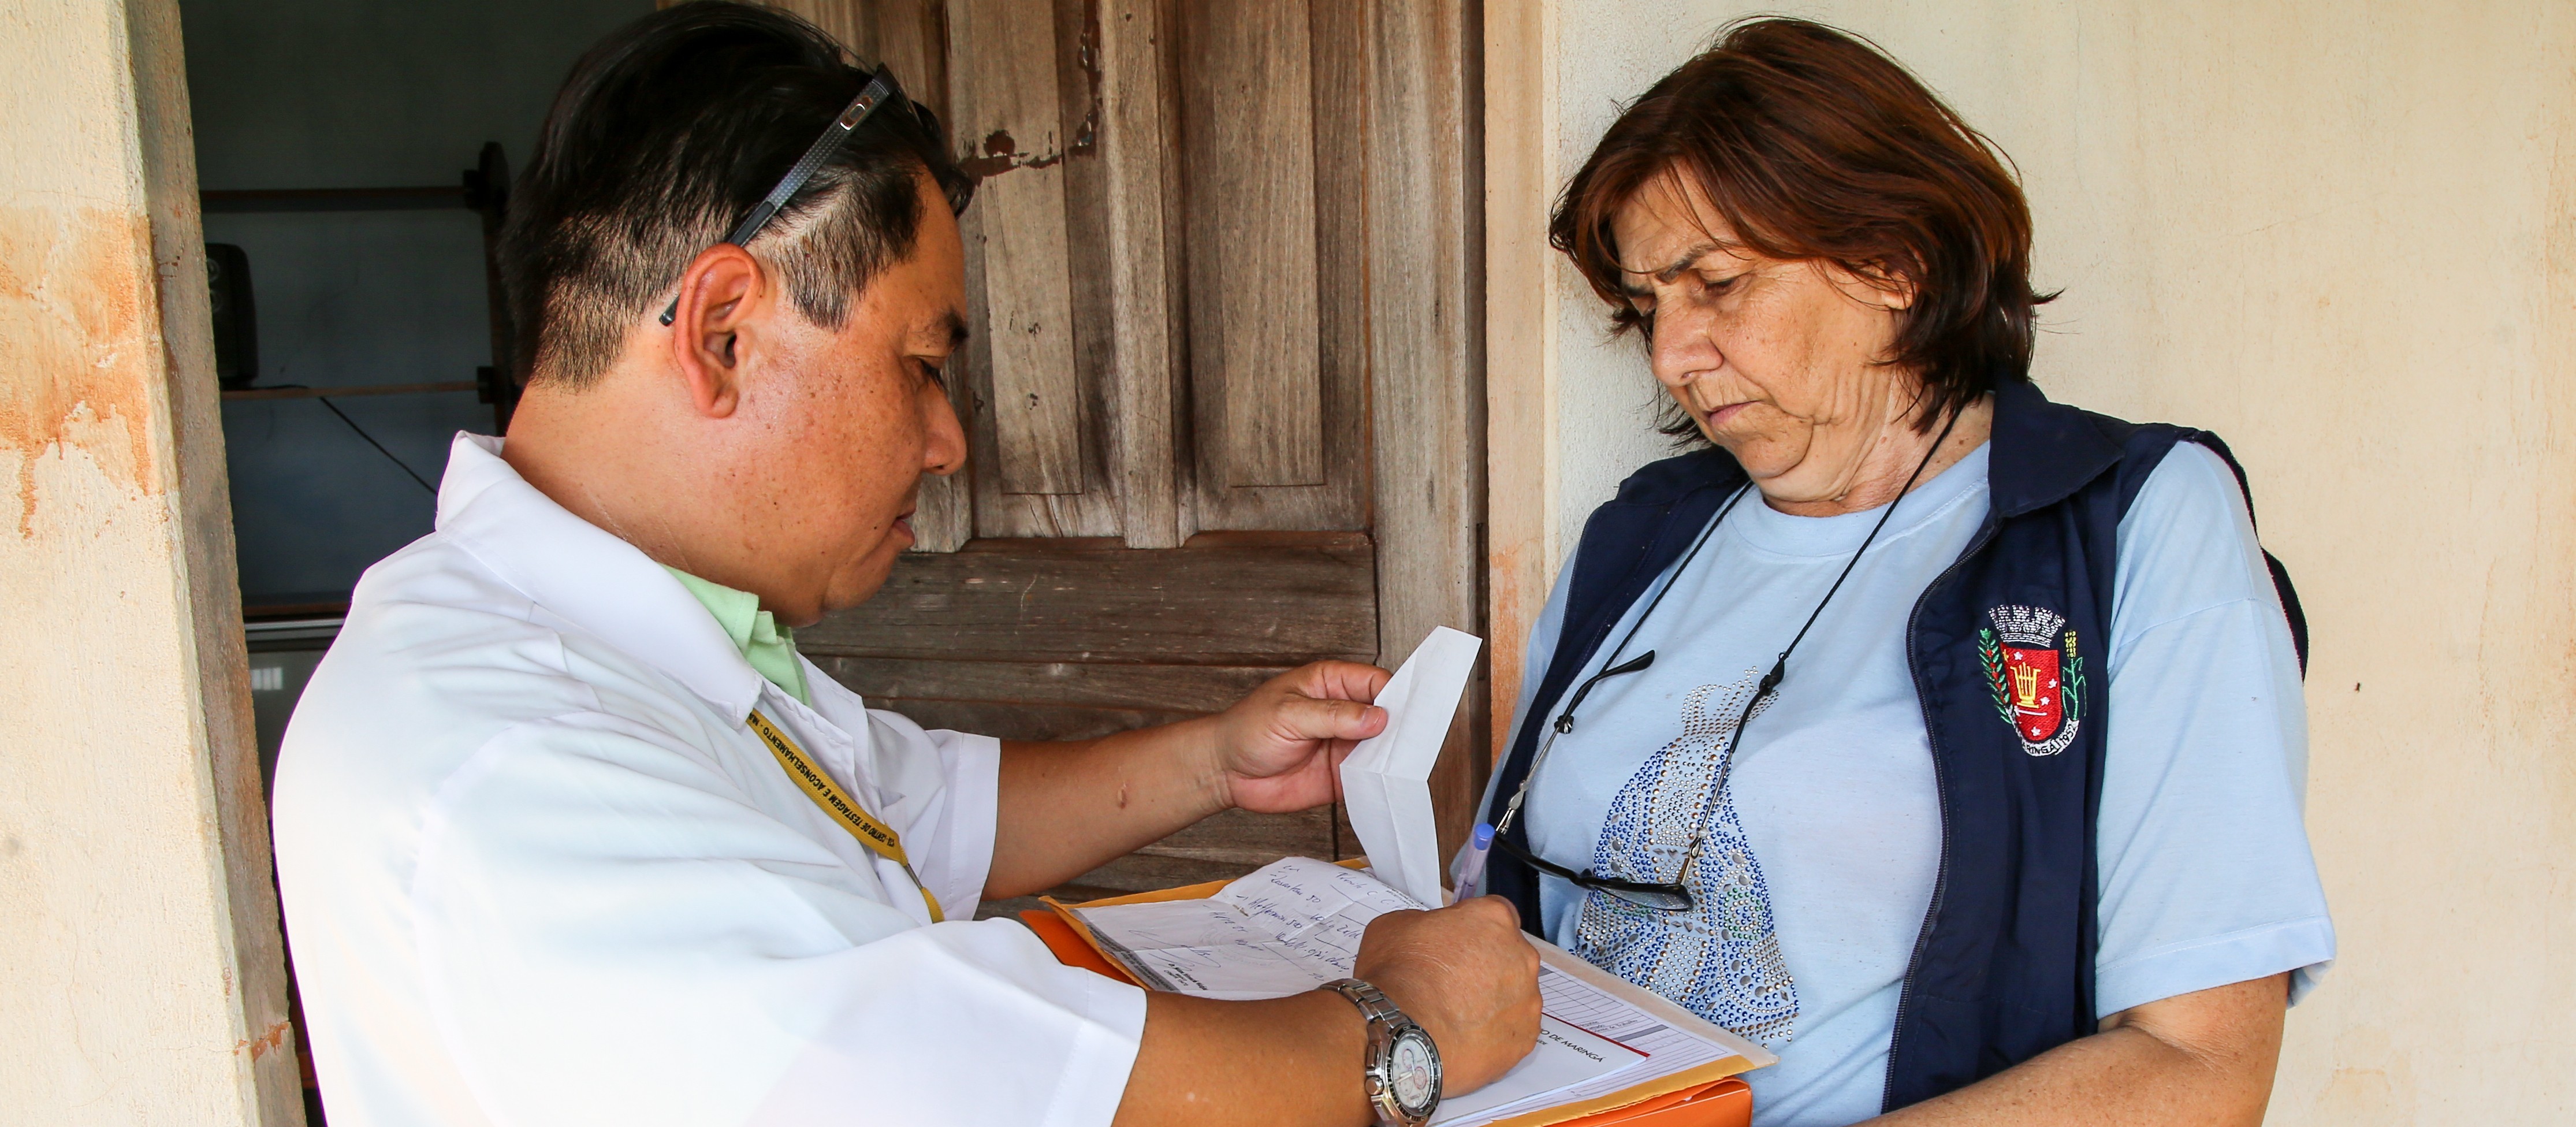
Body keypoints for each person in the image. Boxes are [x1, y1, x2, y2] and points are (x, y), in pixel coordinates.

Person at [268, 7, 1538, 1126]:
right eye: (921, 366)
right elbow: (966, 1082)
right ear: (721, 331)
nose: (948, 442)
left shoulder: (642, 636)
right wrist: (1396, 1031)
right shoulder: (511, 757)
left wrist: (1217, 754)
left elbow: (917, 811)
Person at [1465, 18, 2333, 1127]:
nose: (1672, 354)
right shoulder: (1641, 536)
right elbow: (1493, 902)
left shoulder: (2127, 519)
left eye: (1717, 284)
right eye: (1647, 309)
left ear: (1893, 263)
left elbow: (2197, 1067)